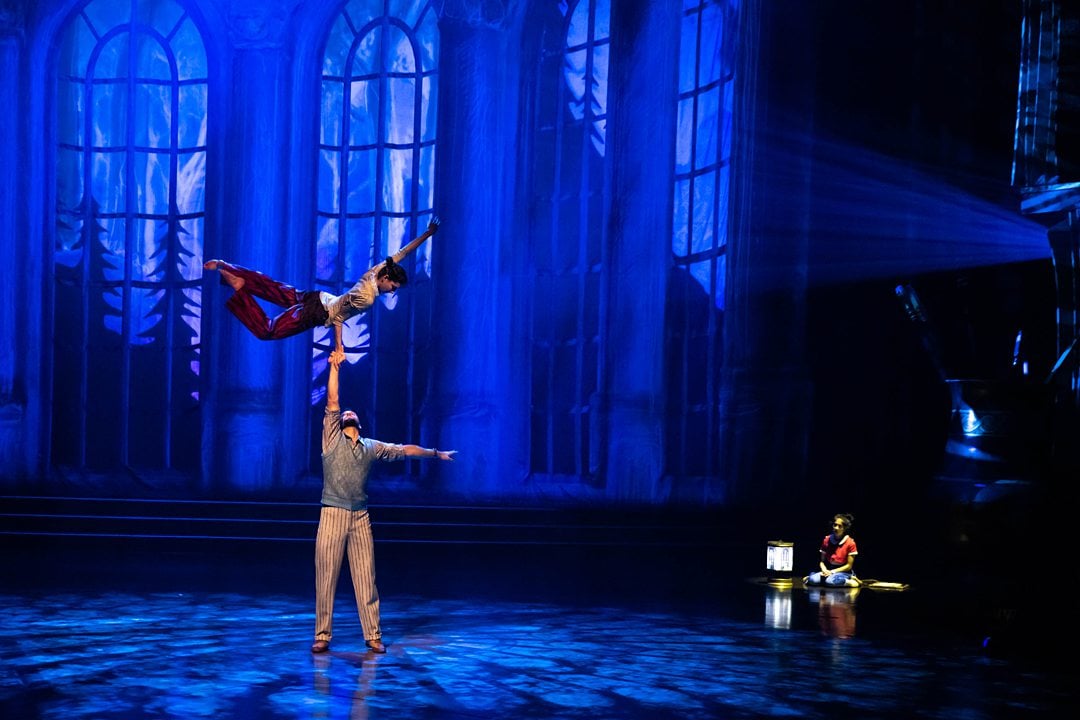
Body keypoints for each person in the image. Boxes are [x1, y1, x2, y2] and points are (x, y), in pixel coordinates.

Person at [311, 348, 457, 655]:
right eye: (344, 416)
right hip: (333, 512)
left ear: (359, 423)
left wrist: (434, 453)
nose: (347, 415)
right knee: (326, 577)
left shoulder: (370, 447)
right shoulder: (331, 439)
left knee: (366, 577)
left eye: (352, 415)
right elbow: (333, 401)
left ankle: (373, 635)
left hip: (360, 516)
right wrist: (335, 368)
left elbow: (404, 449)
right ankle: (322, 635)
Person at [204, 217, 440, 353]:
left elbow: (402, 253)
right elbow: (338, 317)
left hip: (317, 297)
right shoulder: (368, 297)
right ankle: (239, 288)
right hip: (317, 311)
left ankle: (229, 267)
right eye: (394, 287)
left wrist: (427, 234)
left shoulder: (378, 269)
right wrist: (339, 347)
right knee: (268, 330)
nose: (392, 292)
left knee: (274, 289)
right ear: (387, 279)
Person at [803, 513, 859, 587]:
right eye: (835, 525)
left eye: (840, 526)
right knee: (813, 580)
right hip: (828, 570)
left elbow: (848, 566)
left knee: (830, 582)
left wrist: (832, 572)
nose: (836, 528)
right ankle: (813, 577)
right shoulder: (827, 540)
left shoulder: (850, 543)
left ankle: (851, 580)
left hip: (843, 571)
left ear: (844, 528)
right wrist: (824, 569)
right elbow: (822, 561)